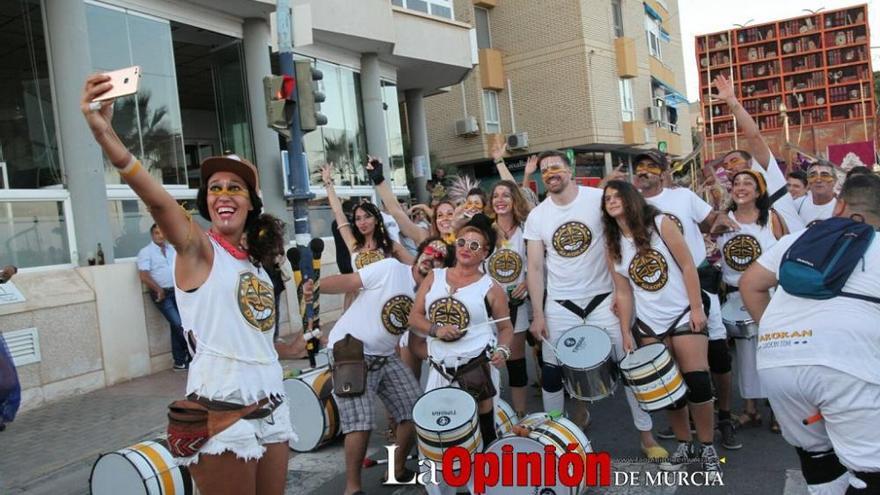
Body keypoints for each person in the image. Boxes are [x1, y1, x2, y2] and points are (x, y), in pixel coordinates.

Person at [82, 74, 302, 495]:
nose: (223, 193)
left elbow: (244, 335)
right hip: (222, 410)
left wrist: (285, 349)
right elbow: (157, 199)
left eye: (235, 187)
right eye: (215, 187)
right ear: (206, 202)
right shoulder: (197, 249)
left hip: (272, 401)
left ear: (252, 202)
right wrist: (105, 134)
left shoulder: (257, 263)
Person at [740, 173, 880, 494]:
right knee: (871, 471)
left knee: (817, 456)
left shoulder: (798, 239)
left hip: (778, 363)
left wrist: (775, 333)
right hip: (845, 365)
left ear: (840, 204)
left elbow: (750, 284)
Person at [523, 151, 665, 460]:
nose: (550, 172)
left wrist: (621, 292)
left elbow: (619, 240)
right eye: (545, 169)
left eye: (556, 166)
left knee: (628, 366)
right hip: (560, 306)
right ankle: (557, 439)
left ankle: (646, 435)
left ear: (570, 169)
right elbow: (535, 268)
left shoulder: (598, 199)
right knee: (552, 373)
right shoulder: (537, 216)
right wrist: (537, 313)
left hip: (604, 300)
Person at [304, 238, 452, 495]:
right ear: (420, 252)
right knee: (360, 421)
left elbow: (417, 344)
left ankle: (396, 470)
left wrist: (451, 356)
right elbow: (349, 281)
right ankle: (352, 488)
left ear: (442, 267)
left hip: (385, 356)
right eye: (430, 249)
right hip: (350, 351)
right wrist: (314, 287)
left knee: (414, 409)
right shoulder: (391, 269)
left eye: (440, 256)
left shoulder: (429, 296)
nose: (432, 256)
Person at [602, 180, 721, 474]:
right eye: (607, 198)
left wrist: (696, 307)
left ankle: (707, 447)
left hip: (682, 313)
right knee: (668, 389)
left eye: (617, 196)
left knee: (699, 383)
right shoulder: (613, 242)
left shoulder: (659, 223)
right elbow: (624, 291)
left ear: (630, 199)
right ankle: (684, 443)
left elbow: (688, 265)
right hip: (649, 323)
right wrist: (626, 331)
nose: (612, 201)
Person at [632, 150, 741, 450]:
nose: (644, 171)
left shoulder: (683, 198)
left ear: (664, 172)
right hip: (655, 298)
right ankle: (685, 430)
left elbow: (710, 223)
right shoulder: (632, 205)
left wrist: (724, 218)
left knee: (716, 358)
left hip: (697, 289)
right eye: (639, 167)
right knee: (671, 372)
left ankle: (725, 418)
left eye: (651, 166)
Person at [408, 214, 514, 495]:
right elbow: (414, 317)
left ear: (486, 253)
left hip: (476, 370)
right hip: (440, 370)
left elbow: (505, 328)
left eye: (475, 245)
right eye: (463, 242)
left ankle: (483, 488)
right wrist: (435, 329)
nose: (466, 248)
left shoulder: (491, 288)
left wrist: (503, 350)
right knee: (436, 435)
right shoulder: (435, 276)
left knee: (480, 434)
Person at [713, 169, 786, 434]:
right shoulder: (722, 220)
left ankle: (779, 409)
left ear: (759, 191)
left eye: (748, 183)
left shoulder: (771, 219)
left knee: (774, 352)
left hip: (769, 296)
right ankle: (750, 410)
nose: (741, 187)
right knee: (745, 356)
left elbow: (786, 250)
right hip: (735, 296)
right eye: (736, 183)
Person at [713, 74, 806, 232]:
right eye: (727, 166)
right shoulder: (737, 200)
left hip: (795, 247)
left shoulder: (764, 171)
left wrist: (732, 101)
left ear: (751, 163)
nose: (730, 167)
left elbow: (754, 136)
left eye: (735, 161)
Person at [485, 180, 533, 418]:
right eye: (496, 195)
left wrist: (526, 283)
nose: (500, 200)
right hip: (486, 305)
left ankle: (520, 414)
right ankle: (488, 413)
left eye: (506, 195)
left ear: (514, 199)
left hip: (517, 304)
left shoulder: (527, 229)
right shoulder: (484, 229)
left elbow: (536, 264)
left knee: (515, 360)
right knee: (484, 362)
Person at [137, 224, 191, 370]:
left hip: (177, 291)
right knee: (178, 324)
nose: (160, 236)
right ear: (152, 235)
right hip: (161, 294)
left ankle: (180, 361)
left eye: (162, 233)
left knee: (178, 325)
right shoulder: (146, 252)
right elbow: (144, 275)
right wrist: (158, 289)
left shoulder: (172, 249)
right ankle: (193, 353)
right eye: (156, 233)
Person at [795, 161, 838, 228]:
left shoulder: (841, 208)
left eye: (824, 175)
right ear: (808, 181)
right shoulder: (797, 205)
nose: (818, 180)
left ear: (834, 181)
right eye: (813, 176)